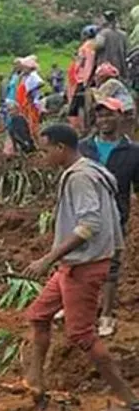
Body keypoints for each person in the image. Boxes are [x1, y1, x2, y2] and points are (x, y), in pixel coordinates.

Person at [20, 124, 139, 411]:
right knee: (38, 315)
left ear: (61, 148)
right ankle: (33, 380)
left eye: (46, 149)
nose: (43, 155)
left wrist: (48, 258)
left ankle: (129, 401)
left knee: (82, 334)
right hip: (73, 264)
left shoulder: (81, 178)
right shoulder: (86, 169)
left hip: (84, 265)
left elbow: (89, 226)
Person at [78, 97, 139, 338]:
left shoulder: (133, 152)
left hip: (116, 215)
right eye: (100, 115)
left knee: (110, 266)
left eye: (110, 115)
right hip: (83, 213)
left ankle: (106, 314)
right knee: (80, 260)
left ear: (121, 117)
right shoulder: (84, 147)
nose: (104, 120)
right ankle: (79, 307)